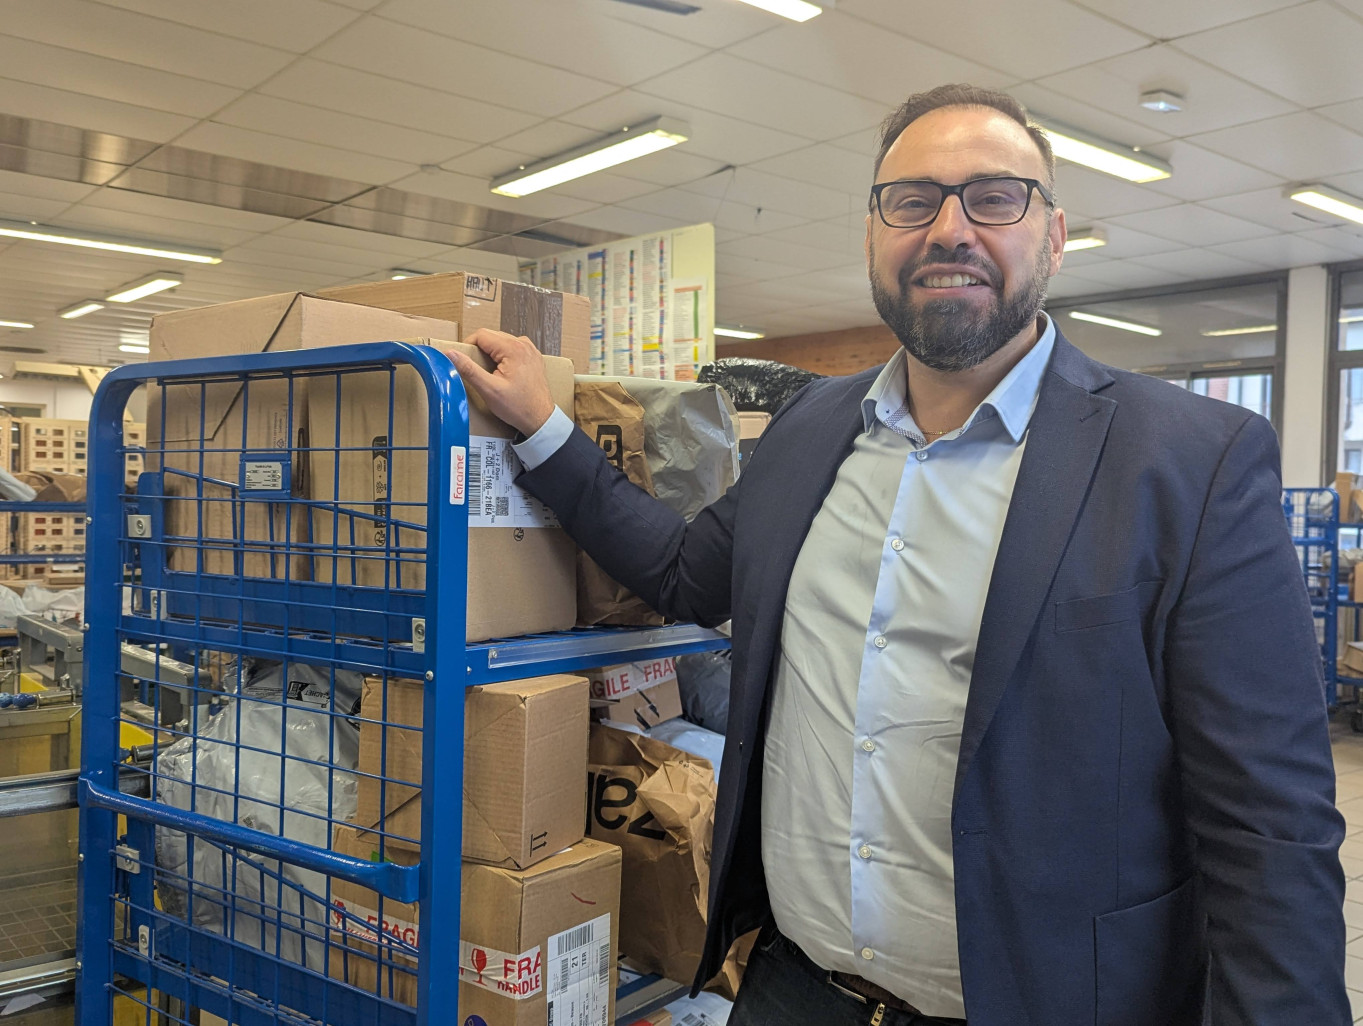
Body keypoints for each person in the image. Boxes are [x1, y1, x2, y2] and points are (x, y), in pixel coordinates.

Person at [448, 84, 1348, 1026]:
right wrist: (544, 431)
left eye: (994, 197)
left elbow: (1269, 828)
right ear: (874, 233)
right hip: (793, 991)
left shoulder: (1191, 461)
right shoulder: (807, 432)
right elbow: (682, 575)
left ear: (1052, 235)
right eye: (911, 200)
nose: (949, 228)